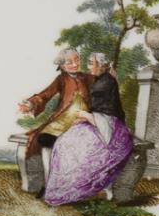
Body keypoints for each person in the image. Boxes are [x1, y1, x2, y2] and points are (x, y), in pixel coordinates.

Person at [40, 52, 134, 206]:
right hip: (96, 121)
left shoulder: (105, 83)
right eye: (88, 62)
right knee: (65, 142)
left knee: (78, 147)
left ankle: (69, 190)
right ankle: (63, 188)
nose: (87, 66)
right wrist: (84, 117)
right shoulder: (98, 78)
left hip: (109, 127)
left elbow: (108, 113)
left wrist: (85, 116)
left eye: (91, 63)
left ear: (100, 65)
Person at [17, 47, 93, 192]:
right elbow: (45, 94)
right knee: (44, 140)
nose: (75, 64)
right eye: (69, 62)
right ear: (62, 66)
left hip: (82, 121)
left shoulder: (88, 78)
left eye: (77, 60)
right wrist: (31, 103)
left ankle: (71, 186)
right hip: (61, 120)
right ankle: (48, 183)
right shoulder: (61, 79)